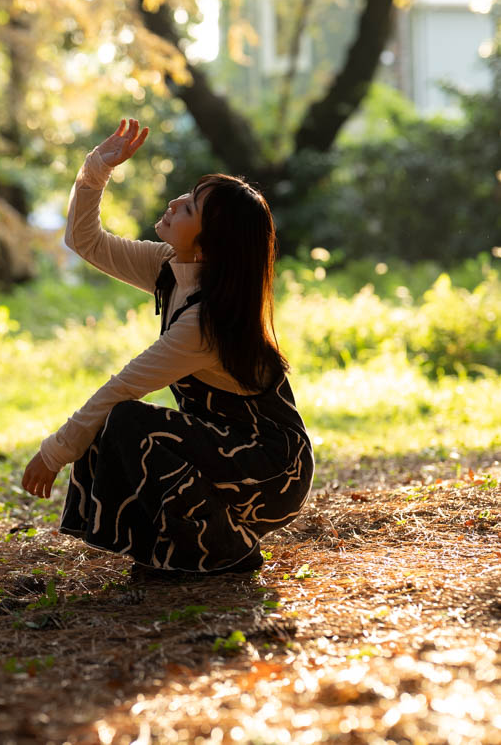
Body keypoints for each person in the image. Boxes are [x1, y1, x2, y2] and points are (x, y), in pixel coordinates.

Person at [21, 118, 312, 576]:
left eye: (191, 207)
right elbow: (84, 241)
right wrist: (96, 169)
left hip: (272, 470)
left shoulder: (205, 322)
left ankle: (226, 548)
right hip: (227, 449)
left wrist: (54, 452)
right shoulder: (171, 266)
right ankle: (172, 552)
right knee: (114, 425)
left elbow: (122, 389)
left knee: (128, 421)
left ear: (209, 244)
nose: (176, 202)